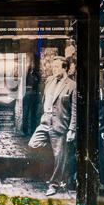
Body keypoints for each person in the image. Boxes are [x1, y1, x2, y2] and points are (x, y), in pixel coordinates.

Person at [28, 56, 77, 196]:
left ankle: (54, 185)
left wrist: (71, 129)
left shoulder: (72, 85)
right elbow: (45, 99)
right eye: (53, 67)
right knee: (33, 144)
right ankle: (51, 169)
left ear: (65, 68)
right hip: (45, 122)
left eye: (57, 67)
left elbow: (75, 110)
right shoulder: (49, 81)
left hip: (60, 125)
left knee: (60, 157)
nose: (54, 70)